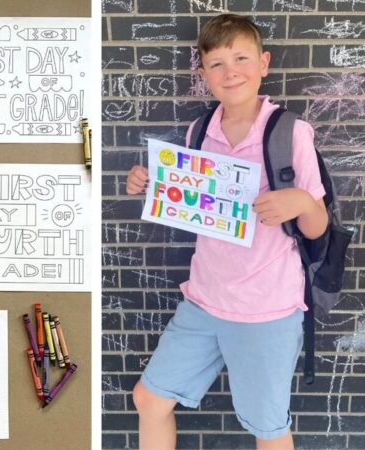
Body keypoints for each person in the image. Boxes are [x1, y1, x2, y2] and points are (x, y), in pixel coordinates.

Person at [125, 13, 329, 450]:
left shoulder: (290, 132)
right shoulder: (199, 130)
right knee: (149, 398)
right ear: (203, 75)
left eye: (241, 58)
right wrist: (150, 183)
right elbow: (190, 200)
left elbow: (318, 228)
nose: (230, 71)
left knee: (267, 427)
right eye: (216, 63)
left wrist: (300, 202)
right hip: (204, 299)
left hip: (266, 309)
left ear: (264, 63)